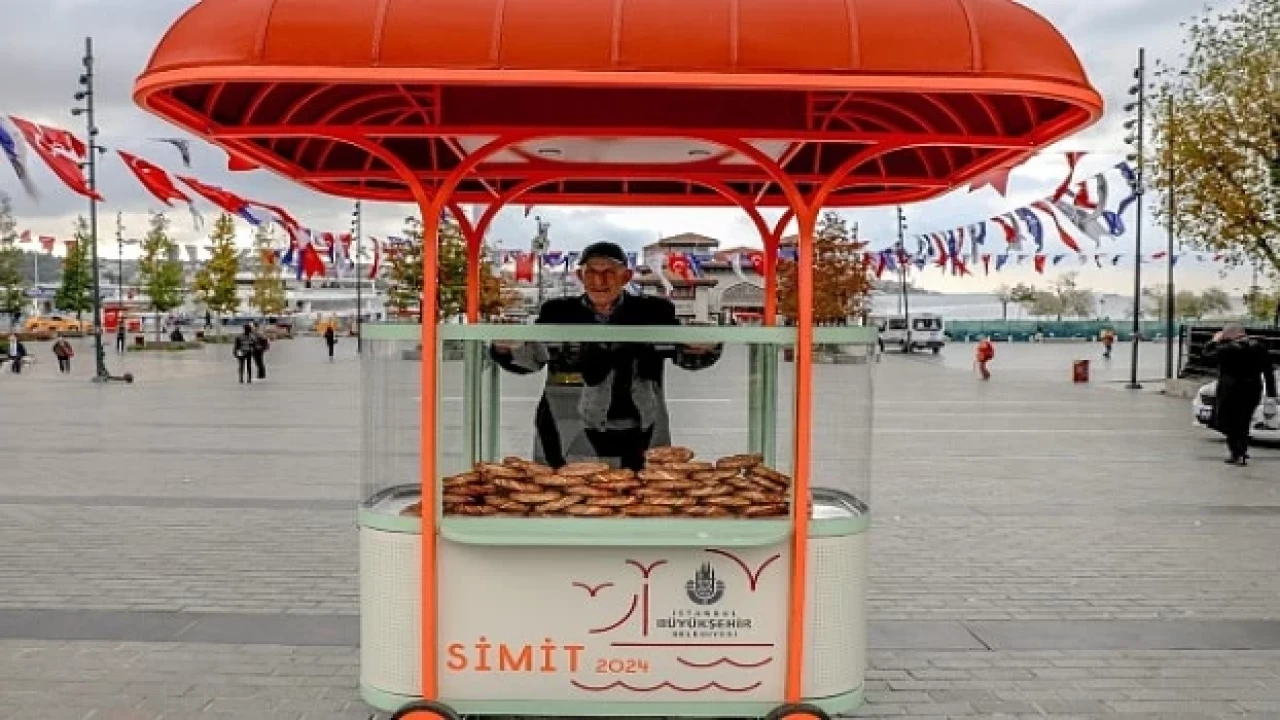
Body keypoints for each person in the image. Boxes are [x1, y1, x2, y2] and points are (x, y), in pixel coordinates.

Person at [491, 241, 721, 470]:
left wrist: (703, 346)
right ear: (580, 277)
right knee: (561, 487)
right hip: (565, 425)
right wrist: (506, 347)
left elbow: (687, 355)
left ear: (626, 277)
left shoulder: (653, 311)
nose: (599, 281)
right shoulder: (558, 312)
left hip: (642, 427)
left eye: (608, 273)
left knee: (642, 488)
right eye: (591, 273)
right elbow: (530, 359)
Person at [1204, 324, 1277, 466]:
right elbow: (1268, 371)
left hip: (1230, 390)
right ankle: (1241, 449)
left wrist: (1213, 341)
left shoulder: (1227, 349)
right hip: (1252, 389)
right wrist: (1271, 393)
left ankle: (1237, 452)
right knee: (1244, 420)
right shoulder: (1259, 347)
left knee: (1228, 421)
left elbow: (1206, 356)